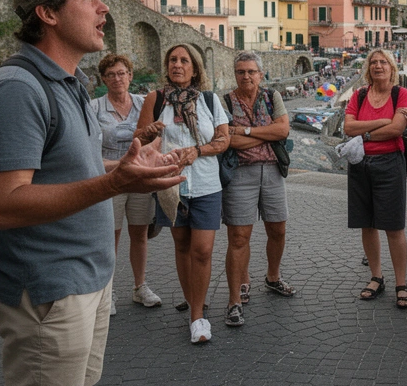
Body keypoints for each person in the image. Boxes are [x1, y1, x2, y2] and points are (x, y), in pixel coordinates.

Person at [0, 0, 183, 386]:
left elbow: (65, 169)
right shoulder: (16, 89)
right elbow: (3, 203)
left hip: (85, 282)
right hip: (47, 292)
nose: (104, 7)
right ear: (47, 12)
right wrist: (115, 182)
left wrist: (125, 165)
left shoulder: (68, 84)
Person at [135, 44, 231, 345]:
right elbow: (137, 139)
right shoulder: (156, 98)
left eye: (184, 60)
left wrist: (197, 151)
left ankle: (198, 316)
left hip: (205, 184)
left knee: (202, 250)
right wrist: (149, 131)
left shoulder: (210, 100)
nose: (178, 65)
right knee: (182, 246)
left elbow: (223, 140)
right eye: (173, 60)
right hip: (170, 184)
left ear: (195, 67)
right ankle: (194, 305)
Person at [221, 51, 294, 328]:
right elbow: (227, 140)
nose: (246, 76)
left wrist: (246, 132)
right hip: (240, 174)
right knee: (239, 236)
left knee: (278, 229)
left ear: (260, 74)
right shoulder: (225, 100)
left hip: (273, 171)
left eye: (251, 71)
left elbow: (283, 131)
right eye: (241, 72)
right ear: (235, 74)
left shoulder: (271, 97)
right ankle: (235, 298)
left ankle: (272, 277)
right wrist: (264, 131)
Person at [90, 54, 161, 316]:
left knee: (140, 233)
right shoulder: (94, 107)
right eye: (111, 75)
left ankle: (140, 287)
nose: (117, 79)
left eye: (122, 73)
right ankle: (106, 292)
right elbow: (88, 150)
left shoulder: (144, 103)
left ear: (130, 76)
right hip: (110, 178)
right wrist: (117, 165)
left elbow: (157, 138)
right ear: (103, 79)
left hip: (139, 178)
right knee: (111, 236)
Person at [343, 49, 407, 309]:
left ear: (392, 67)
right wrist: (382, 122)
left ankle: (401, 283)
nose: (378, 66)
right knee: (367, 224)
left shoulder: (401, 94)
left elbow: (397, 128)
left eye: (383, 62)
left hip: (389, 164)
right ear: (367, 68)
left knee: (394, 227)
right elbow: (347, 127)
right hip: (360, 164)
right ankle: (376, 276)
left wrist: (366, 134)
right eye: (373, 62)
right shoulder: (359, 95)